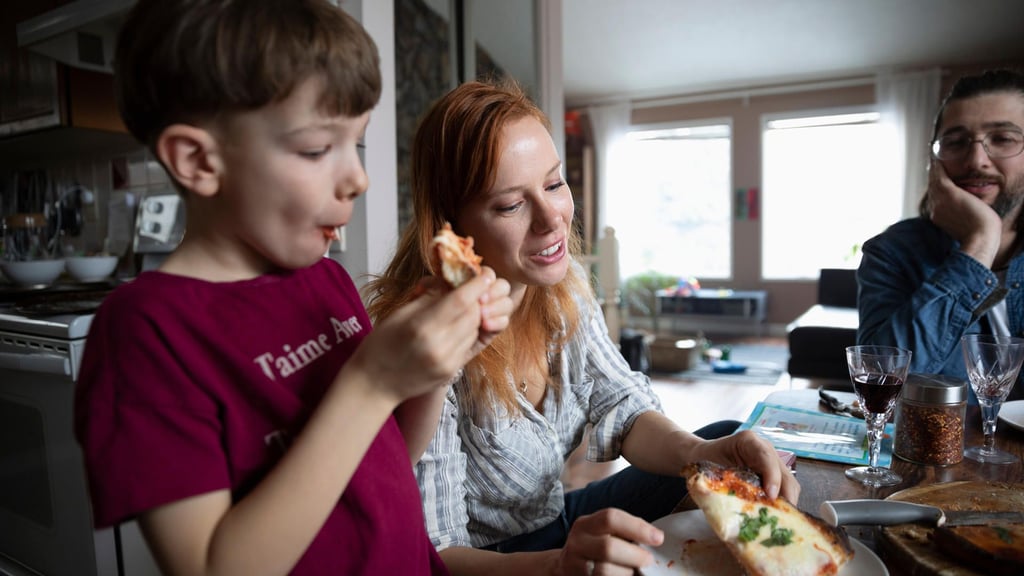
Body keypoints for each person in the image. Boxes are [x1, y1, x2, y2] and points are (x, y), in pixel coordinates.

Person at [73, 1, 513, 575]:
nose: (358, 178)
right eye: (315, 149)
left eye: (355, 144)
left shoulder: (325, 281)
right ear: (198, 160)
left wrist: (433, 370)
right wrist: (372, 382)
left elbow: (381, 463)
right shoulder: (145, 331)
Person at [363, 79, 799, 575]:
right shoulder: (427, 336)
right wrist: (559, 567)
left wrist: (701, 451)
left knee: (719, 450)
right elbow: (434, 555)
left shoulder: (562, 285)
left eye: (553, 184)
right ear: (451, 229)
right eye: (510, 204)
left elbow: (622, 406)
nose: (552, 219)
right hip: (493, 563)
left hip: (560, 522)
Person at [858, 68, 1024, 402]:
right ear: (934, 163)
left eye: (1003, 139)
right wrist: (978, 244)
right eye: (955, 142)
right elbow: (882, 386)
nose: (976, 160)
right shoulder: (891, 252)